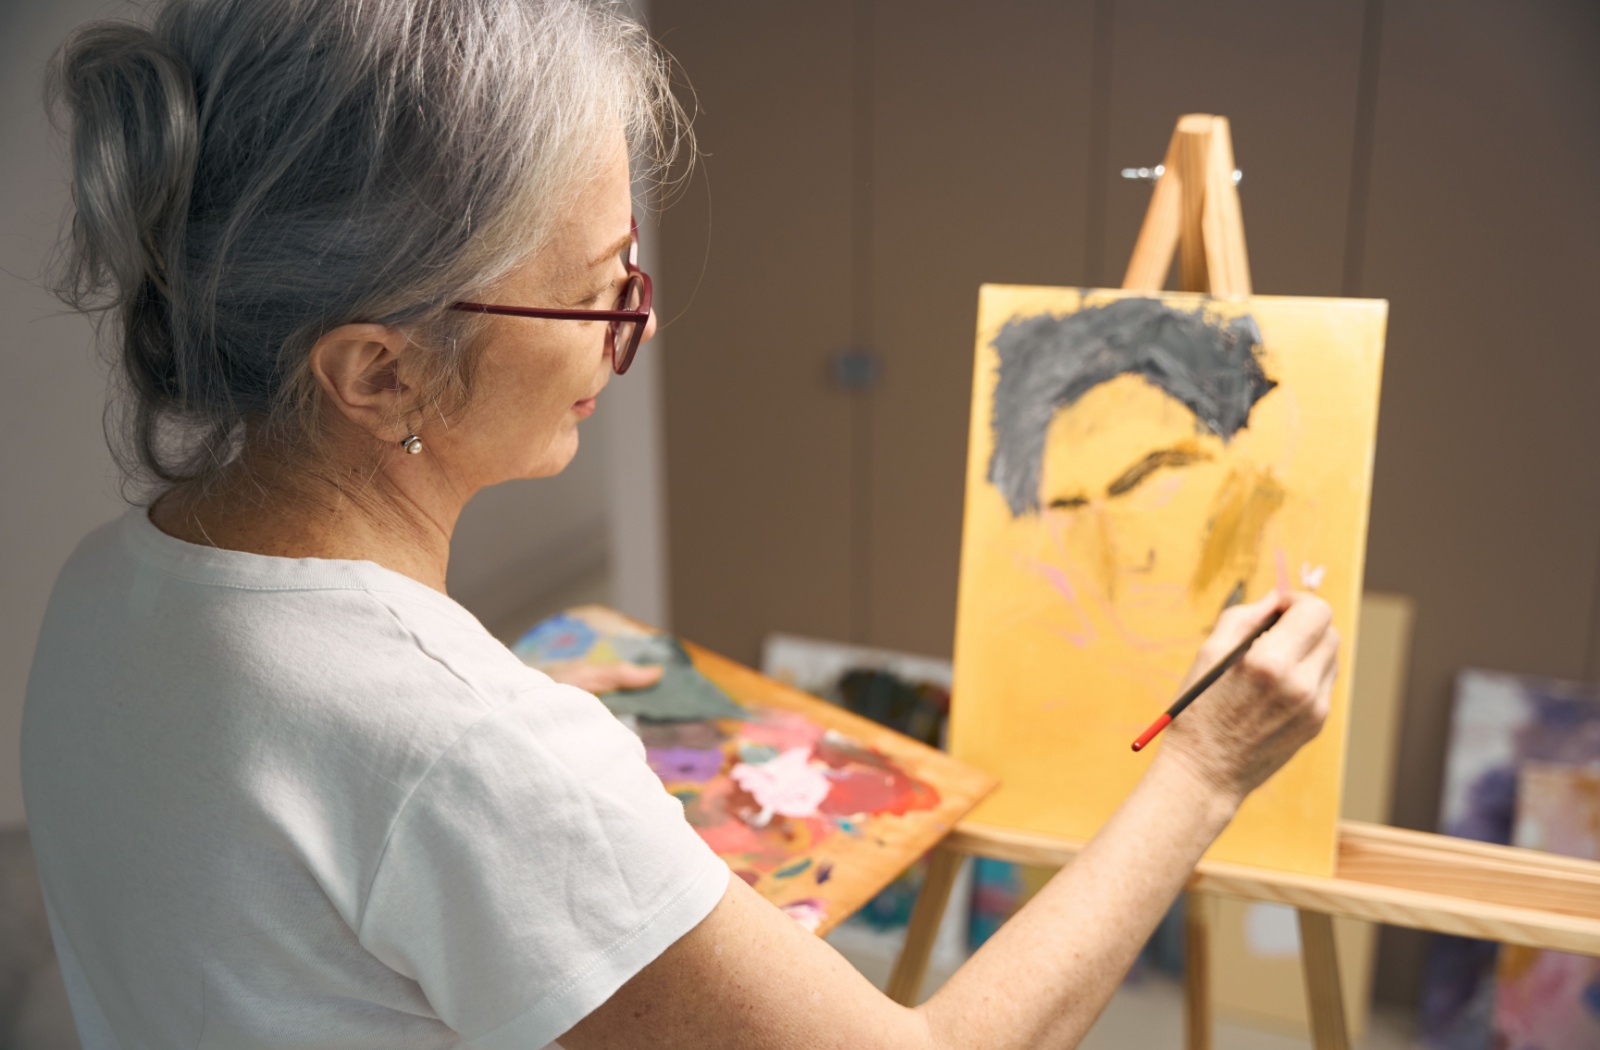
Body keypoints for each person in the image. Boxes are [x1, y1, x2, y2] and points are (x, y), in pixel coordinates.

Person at [21, 2, 1338, 1048]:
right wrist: (1206, 767)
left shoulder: (98, 592)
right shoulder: (467, 752)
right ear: (380, 374)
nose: (639, 324)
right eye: (599, 291)